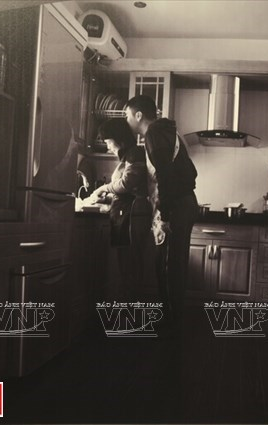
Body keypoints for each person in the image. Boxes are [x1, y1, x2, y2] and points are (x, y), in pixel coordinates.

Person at [124, 95, 198, 332]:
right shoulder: (168, 131)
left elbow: (164, 176)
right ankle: (173, 321)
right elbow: (191, 172)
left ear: (138, 115)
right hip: (183, 203)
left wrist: (164, 215)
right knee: (173, 263)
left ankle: (170, 325)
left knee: (166, 264)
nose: (127, 120)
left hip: (175, 206)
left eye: (127, 115)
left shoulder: (154, 134)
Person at [86, 118, 151, 299]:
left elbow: (126, 184)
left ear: (119, 140)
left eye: (108, 142)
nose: (108, 147)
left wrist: (103, 189)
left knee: (129, 267)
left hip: (131, 216)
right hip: (126, 215)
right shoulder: (129, 156)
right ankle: (129, 307)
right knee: (127, 267)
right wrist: (107, 197)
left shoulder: (135, 154)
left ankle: (130, 309)